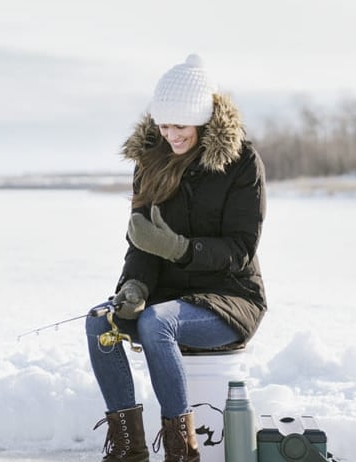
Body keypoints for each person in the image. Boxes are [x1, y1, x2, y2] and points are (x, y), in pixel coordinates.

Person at [86, 54, 267, 462]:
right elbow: (141, 243)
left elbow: (241, 250)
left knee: (156, 321)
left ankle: (181, 450)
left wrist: (181, 250)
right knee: (101, 323)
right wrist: (133, 286)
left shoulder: (241, 163)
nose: (171, 135)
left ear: (202, 121)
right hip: (166, 295)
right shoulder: (151, 160)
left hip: (230, 297)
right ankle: (128, 449)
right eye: (164, 125)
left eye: (180, 126)